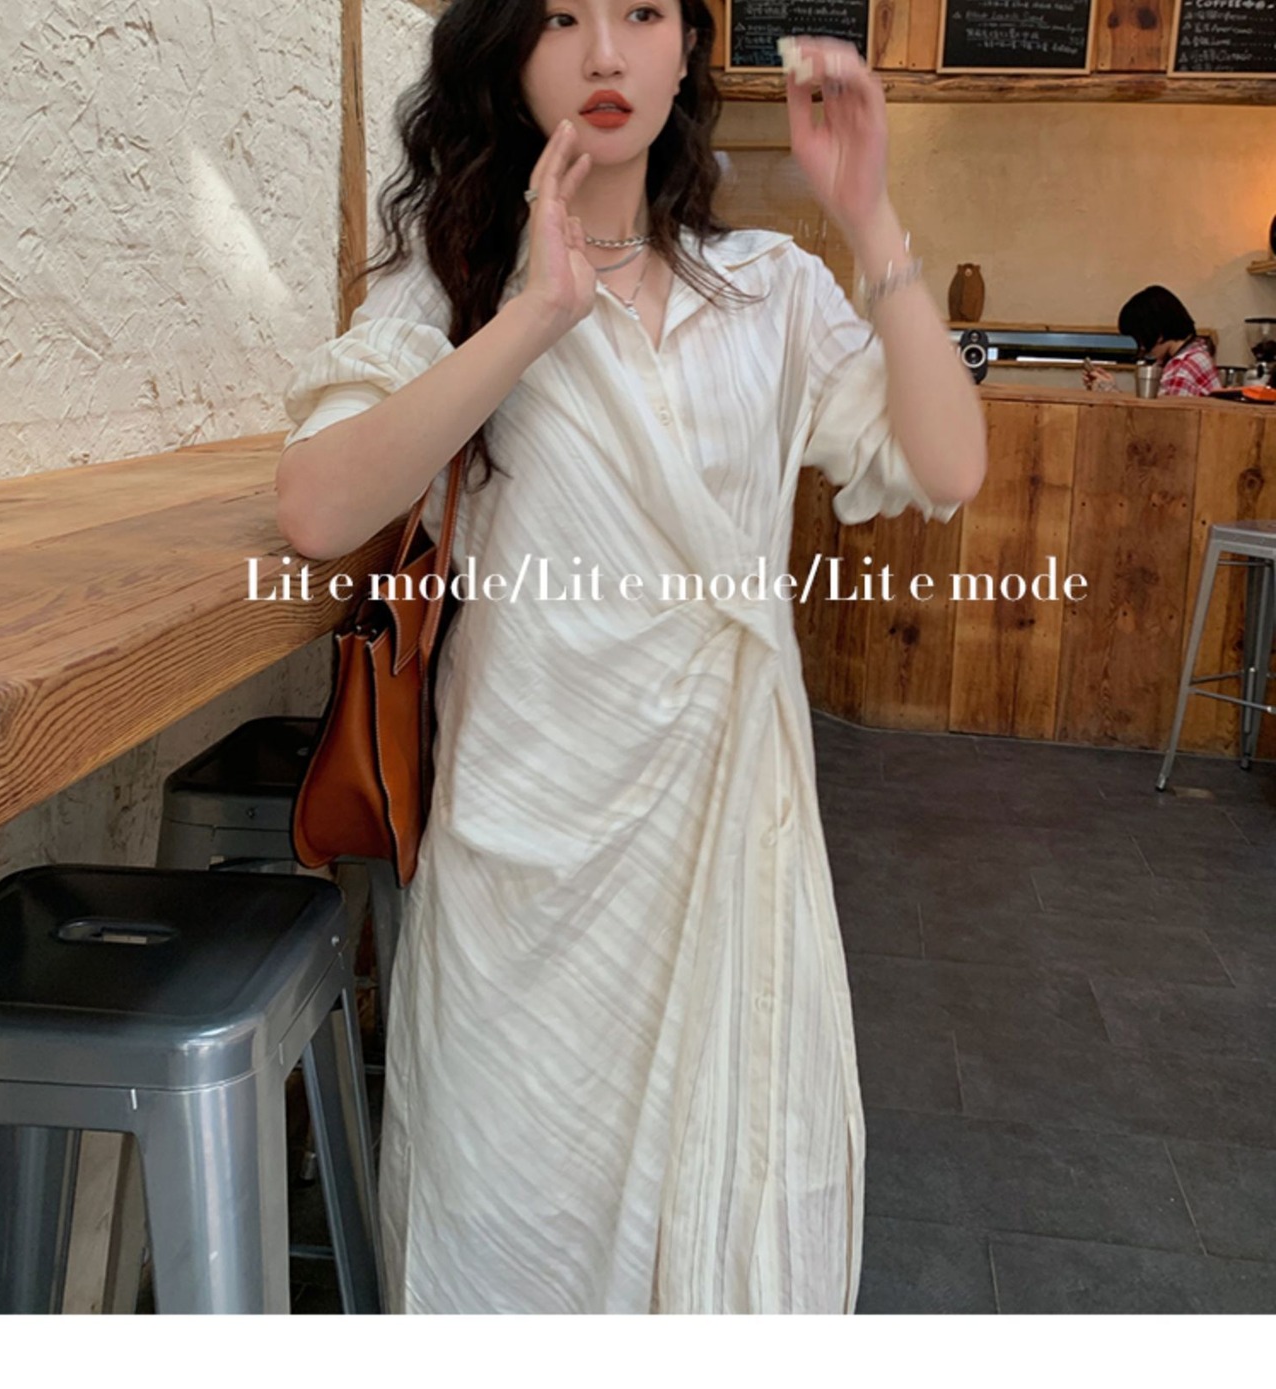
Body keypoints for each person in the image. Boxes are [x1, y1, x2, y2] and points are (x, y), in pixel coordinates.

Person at [277, 0, 984, 1314]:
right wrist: (537, 313)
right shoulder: (454, 283)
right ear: (508, 58)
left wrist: (870, 214)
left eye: (642, 12)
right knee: (507, 1221)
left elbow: (945, 465)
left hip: (727, 837)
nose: (605, 52)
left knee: (719, 1214)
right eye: (561, 17)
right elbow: (319, 510)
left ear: (684, 50)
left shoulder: (768, 288)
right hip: (528, 850)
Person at [1082, 285, 1221, 397]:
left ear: (1158, 334)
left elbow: (1158, 421)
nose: (1142, 348)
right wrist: (1111, 392)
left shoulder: (1183, 372)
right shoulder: (1195, 353)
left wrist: (1111, 395)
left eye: (1141, 339)